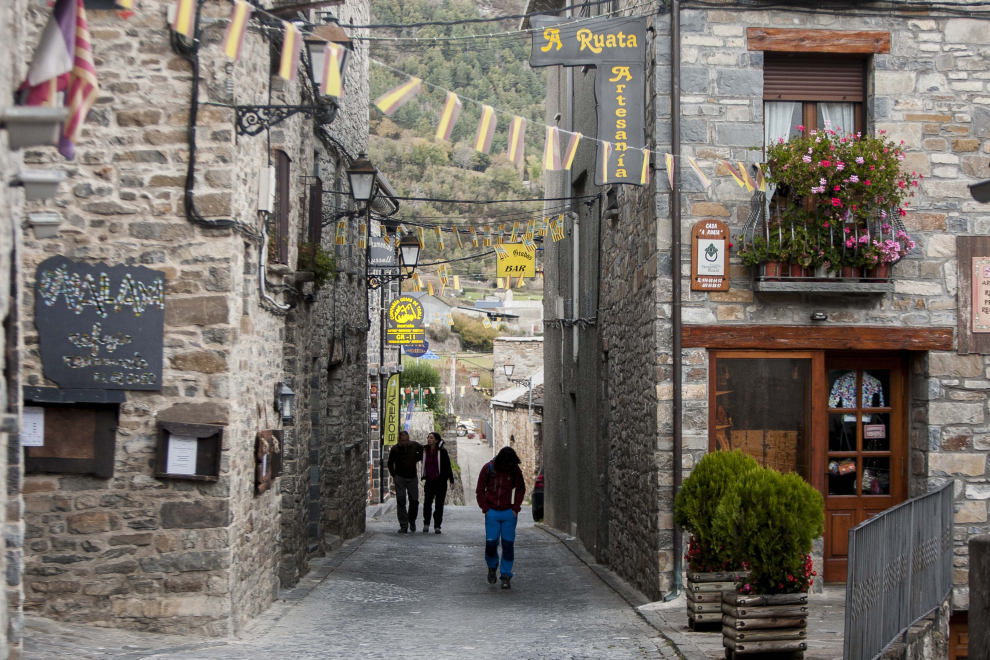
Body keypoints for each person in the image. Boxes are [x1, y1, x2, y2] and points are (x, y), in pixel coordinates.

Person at [476, 446, 526, 589]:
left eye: (510, 464)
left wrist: (515, 509)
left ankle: (505, 575)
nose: (507, 467)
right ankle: (492, 567)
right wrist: (485, 509)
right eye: (506, 464)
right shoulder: (488, 469)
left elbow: (521, 489)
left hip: (508, 513)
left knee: (508, 545)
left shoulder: (515, 470)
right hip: (492, 512)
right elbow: (480, 490)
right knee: (491, 544)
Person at [387, 430, 423, 533]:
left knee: (414, 500)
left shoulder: (414, 445)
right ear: (399, 439)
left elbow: (423, 451)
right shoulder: (395, 449)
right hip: (400, 478)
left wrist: (415, 459)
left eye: (406, 440)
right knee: (401, 500)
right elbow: (390, 464)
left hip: (412, 477)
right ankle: (403, 525)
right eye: (403, 440)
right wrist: (395, 476)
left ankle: (412, 520)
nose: (405, 442)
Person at [421, 432, 455, 534]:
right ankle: (426, 523)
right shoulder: (424, 450)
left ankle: (437, 525)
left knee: (439, 505)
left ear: (436, 440)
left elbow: (448, 466)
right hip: (429, 481)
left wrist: (451, 480)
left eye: (431, 438)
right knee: (427, 504)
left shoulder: (442, 451)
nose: (428, 439)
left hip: (440, 482)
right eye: (428, 437)